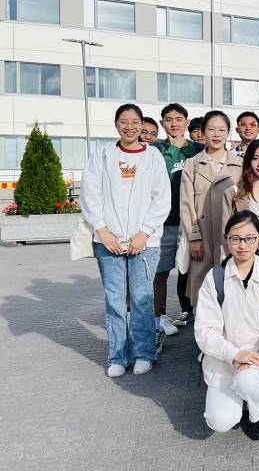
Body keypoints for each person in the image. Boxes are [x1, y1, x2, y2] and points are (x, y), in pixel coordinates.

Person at [80, 103, 171, 377]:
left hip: (144, 243)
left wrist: (144, 233)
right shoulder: (103, 155)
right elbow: (90, 193)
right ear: (116, 124)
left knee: (143, 299)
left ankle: (144, 352)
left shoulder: (153, 157)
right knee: (115, 300)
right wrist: (102, 230)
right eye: (124, 121)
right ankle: (118, 356)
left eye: (134, 122)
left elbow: (161, 198)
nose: (129, 126)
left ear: (142, 124)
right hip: (108, 241)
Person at [195, 211, 259, 438]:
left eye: (250, 238)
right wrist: (235, 354)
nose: (243, 245)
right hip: (225, 360)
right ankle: (243, 393)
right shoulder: (215, 278)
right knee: (219, 422)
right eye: (235, 238)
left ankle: (256, 412)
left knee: (249, 379)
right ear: (226, 239)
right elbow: (204, 331)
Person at [180, 110, 243, 307]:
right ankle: (203, 335)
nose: (216, 134)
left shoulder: (239, 164)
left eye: (222, 130)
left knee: (231, 286)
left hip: (229, 237)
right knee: (202, 287)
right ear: (203, 132)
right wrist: (194, 236)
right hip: (202, 237)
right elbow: (186, 204)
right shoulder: (192, 165)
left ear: (228, 133)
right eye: (211, 129)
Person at [153, 103, 204, 336]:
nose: (174, 123)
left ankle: (199, 315)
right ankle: (158, 317)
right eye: (168, 119)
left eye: (178, 119)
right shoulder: (154, 150)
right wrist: (171, 149)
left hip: (192, 223)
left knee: (195, 272)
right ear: (162, 122)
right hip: (163, 223)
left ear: (186, 122)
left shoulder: (198, 149)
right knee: (160, 273)